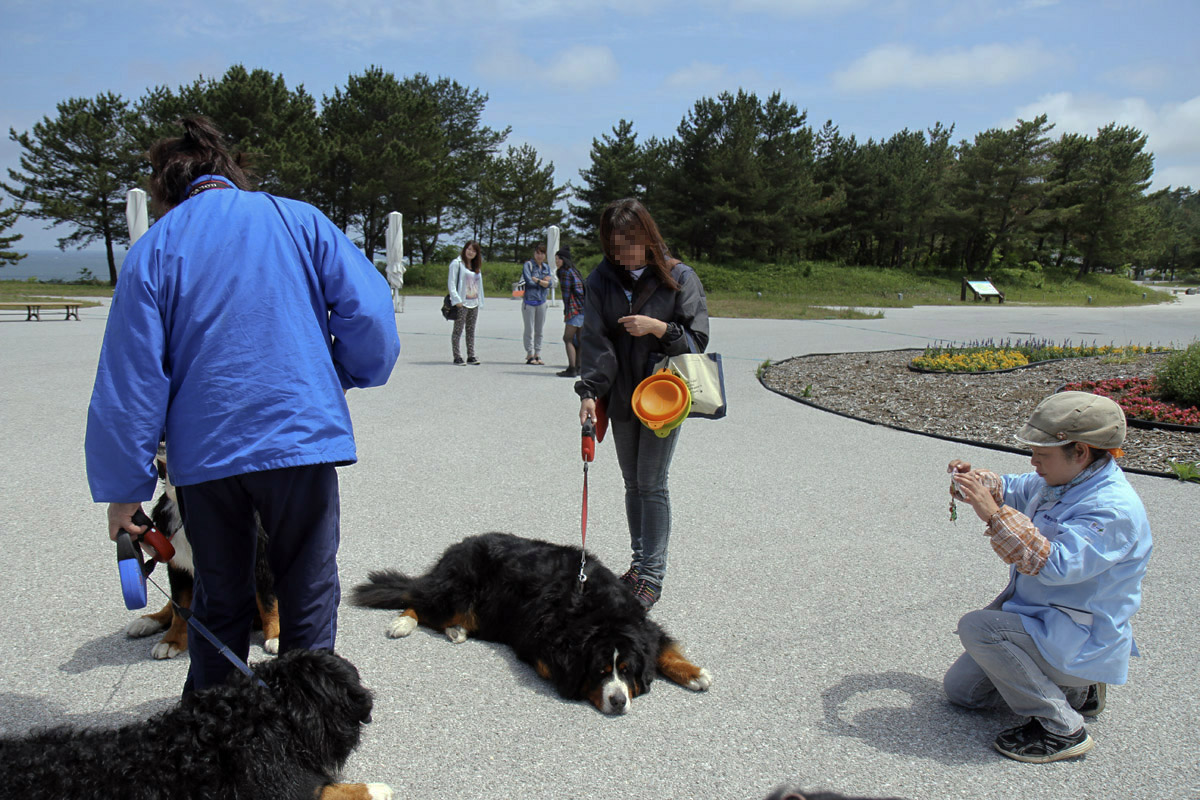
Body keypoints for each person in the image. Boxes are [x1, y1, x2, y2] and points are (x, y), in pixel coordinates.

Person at [85, 117, 401, 694]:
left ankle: (215, 745)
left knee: (219, 600)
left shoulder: (154, 247)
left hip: (205, 457)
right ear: (230, 171)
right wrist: (344, 373)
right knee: (307, 594)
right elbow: (373, 316)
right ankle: (307, 739)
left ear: (166, 189)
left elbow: (130, 381)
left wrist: (124, 493)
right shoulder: (297, 218)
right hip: (299, 438)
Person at [944, 391, 1152, 763]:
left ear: (1082, 451)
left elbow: (1053, 566)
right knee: (963, 693)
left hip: (1080, 636)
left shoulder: (1111, 509)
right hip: (1047, 625)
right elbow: (1010, 487)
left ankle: (1063, 728)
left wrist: (993, 515)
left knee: (978, 627)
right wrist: (974, 482)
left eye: (1043, 453)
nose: (1033, 460)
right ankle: (1080, 690)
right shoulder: (1062, 480)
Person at [575, 198, 709, 608]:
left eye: (628, 244)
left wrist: (659, 328)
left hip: (662, 398)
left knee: (652, 484)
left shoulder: (679, 276)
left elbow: (697, 341)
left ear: (647, 237)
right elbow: (595, 341)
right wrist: (589, 393)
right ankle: (638, 566)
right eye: (614, 246)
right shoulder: (600, 279)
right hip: (621, 397)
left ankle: (652, 574)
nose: (621, 254)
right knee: (632, 483)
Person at [448, 240, 484, 365]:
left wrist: (479, 300)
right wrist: (456, 300)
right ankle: (457, 356)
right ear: (464, 249)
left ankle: (471, 355)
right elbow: (451, 283)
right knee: (458, 330)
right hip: (462, 302)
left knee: (471, 330)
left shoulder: (476, 267)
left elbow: (478, 285)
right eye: (469, 249)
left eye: (474, 251)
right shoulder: (456, 264)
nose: (471, 252)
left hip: (473, 302)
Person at [555, 246, 585, 378]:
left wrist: (566, 311)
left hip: (574, 309)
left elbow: (566, 294)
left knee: (567, 338)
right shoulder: (574, 270)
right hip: (584, 308)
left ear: (563, 259)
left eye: (558, 259)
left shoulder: (565, 272)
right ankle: (579, 367)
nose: (556, 262)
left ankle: (572, 368)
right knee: (578, 339)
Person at [521, 243, 553, 364]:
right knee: (529, 329)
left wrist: (538, 280)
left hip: (542, 301)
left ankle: (538, 353)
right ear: (534, 254)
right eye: (537, 253)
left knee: (539, 330)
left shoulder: (546, 267)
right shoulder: (528, 265)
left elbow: (550, 284)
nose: (539, 256)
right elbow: (529, 282)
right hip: (529, 301)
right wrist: (542, 282)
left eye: (542, 253)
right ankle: (529, 354)